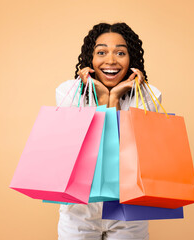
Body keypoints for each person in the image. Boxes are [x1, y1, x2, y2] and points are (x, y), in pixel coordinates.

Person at [55, 22, 162, 240]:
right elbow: (79, 153)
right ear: (90, 59)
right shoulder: (69, 92)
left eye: (120, 53)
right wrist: (105, 97)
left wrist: (112, 98)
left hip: (129, 212)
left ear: (131, 60)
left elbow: (125, 155)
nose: (111, 60)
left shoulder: (149, 95)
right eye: (101, 52)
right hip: (79, 212)